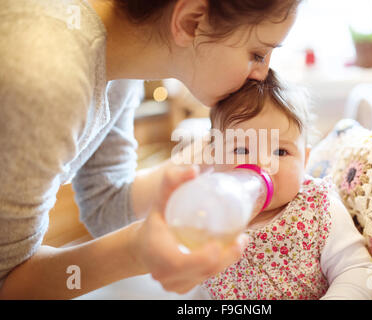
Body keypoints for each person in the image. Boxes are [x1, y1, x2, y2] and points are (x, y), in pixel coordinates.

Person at [0, 0, 300, 299]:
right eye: (257, 54)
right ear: (192, 21)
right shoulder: (44, 71)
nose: (262, 73)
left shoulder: (122, 62)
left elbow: (104, 206)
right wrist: (134, 252)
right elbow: (8, 285)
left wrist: (217, 165)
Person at [200, 69, 372, 299]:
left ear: (304, 160)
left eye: (280, 151)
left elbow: (357, 270)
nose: (262, 163)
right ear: (214, 157)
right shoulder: (210, 213)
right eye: (241, 150)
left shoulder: (318, 208)